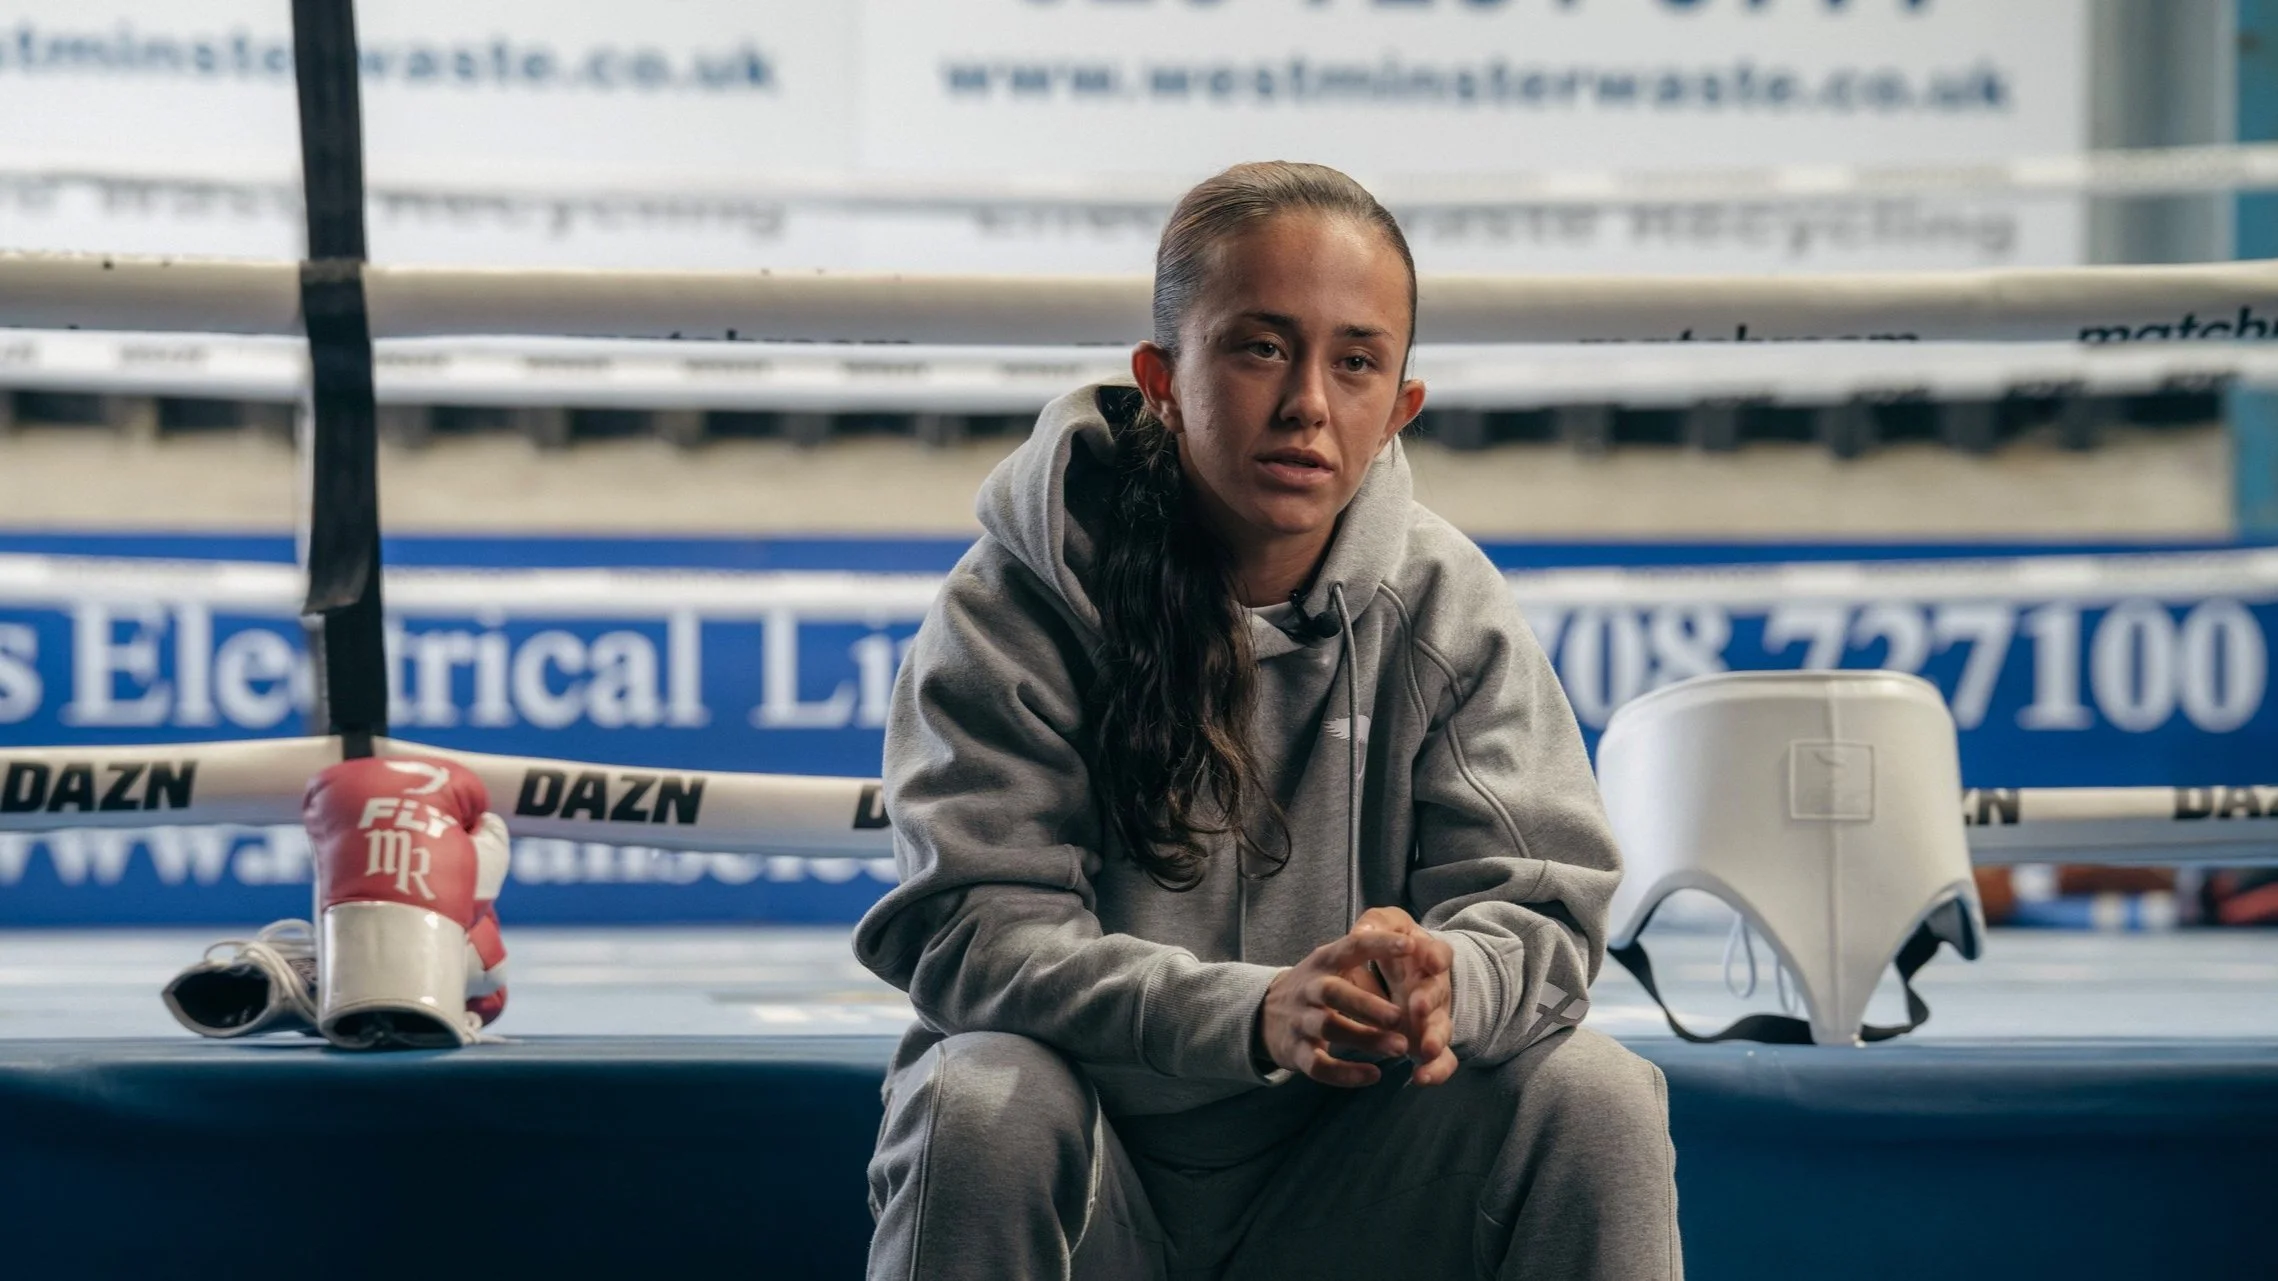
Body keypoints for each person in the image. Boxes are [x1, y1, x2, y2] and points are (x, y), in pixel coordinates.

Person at [854, 161, 1680, 1281]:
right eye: (1258, 347)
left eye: (1355, 362)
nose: (1307, 404)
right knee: (980, 1101)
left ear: (1401, 406)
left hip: (1355, 1185)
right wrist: (1250, 1015)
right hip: (1099, 1174)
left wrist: (1446, 979)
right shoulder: (1013, 605)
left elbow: (1541, 911)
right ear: (1160, 376)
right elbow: (971, 936)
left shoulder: (1447, 607)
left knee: (1595, 1094)